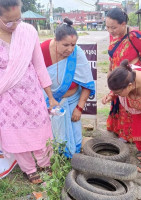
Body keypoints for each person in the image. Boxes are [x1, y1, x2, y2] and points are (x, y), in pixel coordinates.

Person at [0, 0, 58, 183]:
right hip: (7, 98)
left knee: (40, 129)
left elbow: (40, 66)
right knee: (16, 133)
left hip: (32, 94)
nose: (15, 25)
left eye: (18, 19)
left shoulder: (27, 32)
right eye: (9, 21)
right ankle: (29, 169)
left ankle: (45, 163)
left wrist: (50, 96)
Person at [41, 18, 95, 158]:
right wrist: (51, 99)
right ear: (55, 40)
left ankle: (72, 156)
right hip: (49, 101)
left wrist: (79, 107)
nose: (70, 49)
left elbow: (87, 83)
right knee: (51, 136)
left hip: (72, 102)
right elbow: (36, 78)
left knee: (74, 136)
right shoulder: (42, 50)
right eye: (65, 45)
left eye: (73, 44)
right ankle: (53, 156)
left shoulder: (77, 53)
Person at [104, 7, 141, 139]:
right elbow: (112, 55)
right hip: (116, 75)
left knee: (129, 105)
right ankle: (118, 130)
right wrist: (110, 69)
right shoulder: (112, 36)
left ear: (123, 24)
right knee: (118, 102)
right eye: (107, 27)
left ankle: (129, 136)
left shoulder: (135, 36)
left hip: (129, 77)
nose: (110, 31)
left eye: (113, 27)